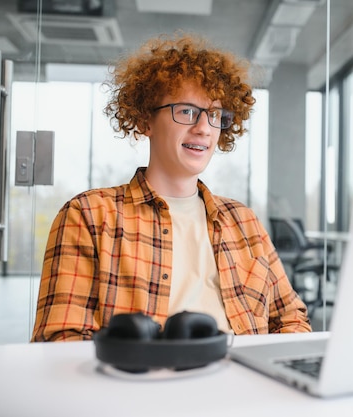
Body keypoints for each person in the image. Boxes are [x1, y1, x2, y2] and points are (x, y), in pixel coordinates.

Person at [31, 32, 311, 342]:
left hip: (241, 383)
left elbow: (291, 318)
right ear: (145, 121)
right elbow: (59, 341)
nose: (203, 127)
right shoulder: (89, 216)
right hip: (139, 384)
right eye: (187, 111)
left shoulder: (243, 222)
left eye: (214, 114)